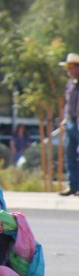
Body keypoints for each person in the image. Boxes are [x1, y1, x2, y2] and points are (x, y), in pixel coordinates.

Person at [60, 52, 79, 195]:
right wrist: (65, 119)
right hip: (71, 123)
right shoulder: (70, 84)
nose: (69, 70)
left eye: (71, 66)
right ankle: (73, 185)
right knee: (70, 154)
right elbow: (69, 104)